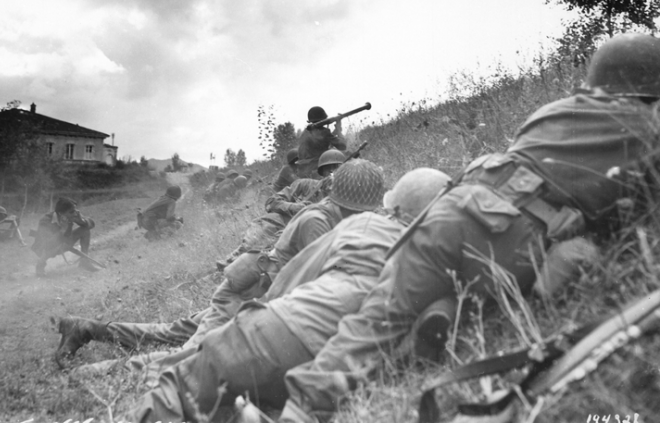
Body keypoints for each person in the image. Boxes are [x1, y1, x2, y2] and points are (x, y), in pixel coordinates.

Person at [279, 33, 660, 423]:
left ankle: (300, 409)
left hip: (450, 208)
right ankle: (440, 317)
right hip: (513, 231)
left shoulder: (556, 110)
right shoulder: (648, 124)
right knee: (497, 294)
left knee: (378, 316)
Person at [128, 168, 450, 423]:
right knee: (184, 341)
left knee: (182, 371)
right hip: (250, 294)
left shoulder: (358, 225)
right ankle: (123, 358)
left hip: (277, 317)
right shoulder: (436, 259)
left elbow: (294, 281)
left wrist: (262, 317)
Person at [54, 160, 387, 363]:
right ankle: (98, 371)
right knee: (193, 356)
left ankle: (85, 328)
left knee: (173, 332)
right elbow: (322, 281)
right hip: (247, 295)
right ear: (350, 205)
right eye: (364, 212)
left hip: (251, 289)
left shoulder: (330, 217)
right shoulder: (317, 221)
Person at [31, 197, 98, 277]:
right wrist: (63, 229)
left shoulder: (71, 215)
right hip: (46, 247)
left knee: (85, 231)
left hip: (64, 242)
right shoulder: (45, 220)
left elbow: (92, 224)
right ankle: (40, 267)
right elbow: (47, 243)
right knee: (47, 249)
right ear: (61, 214)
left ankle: (85, 262)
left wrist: (81, 221)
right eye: (71, 212)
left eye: (75, 210)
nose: (75, 213)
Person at [296, 107, 347, 178]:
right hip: (316, 171)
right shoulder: (324, 132)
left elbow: (322, 140)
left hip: (302, 171)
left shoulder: (305, 133)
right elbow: (343, 146)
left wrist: (335, 130)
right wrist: (338, 130)